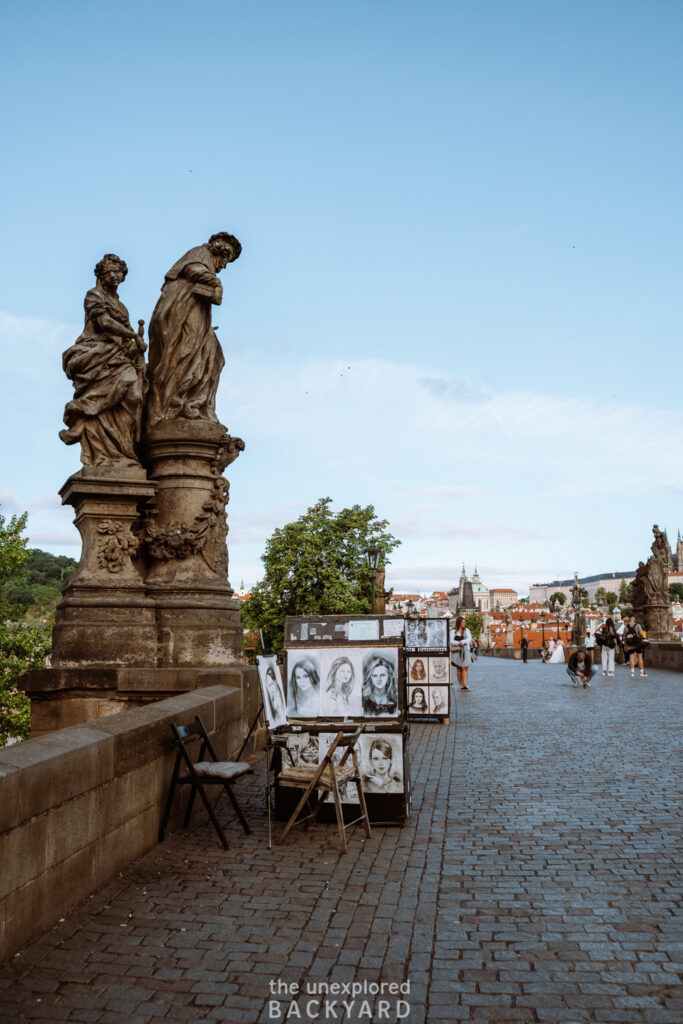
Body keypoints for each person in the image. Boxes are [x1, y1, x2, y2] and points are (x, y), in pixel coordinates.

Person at [60, 254, 146, 467]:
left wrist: (136, 346)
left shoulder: (122, 306)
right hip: (96, 354)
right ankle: (102, 454)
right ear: (101, 274)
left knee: (134, 397)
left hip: (118, 356)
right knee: (98, 405)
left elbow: (127, 338)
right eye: (111, 272)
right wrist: (132, 336)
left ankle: (123, 451)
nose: (116, 276)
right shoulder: (93, 295)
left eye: (120, 273)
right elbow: (105, 322)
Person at [147, 232, 241, 426]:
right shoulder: (200, 253)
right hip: (180, 315)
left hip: (195, 317)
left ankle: (194, 404)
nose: (223, 266)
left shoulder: (206, 265)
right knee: (183, 353)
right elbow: (192, 269)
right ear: (220, 251)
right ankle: (171, 406)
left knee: (214, 357)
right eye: (225, 259)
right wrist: (216, 283)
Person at [451, 615, 473, 691]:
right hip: (457, 651)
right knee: (459, 668)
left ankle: (465, 684)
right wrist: (458, 643)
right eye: (463, 622)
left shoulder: (467, 630)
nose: (464, 623)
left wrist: (462, 642)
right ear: (459, 623)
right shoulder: (453, 632)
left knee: (465, 667)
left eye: (464, 622)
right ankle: (461, 685)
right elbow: (451, 641)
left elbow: (469, 639)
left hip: (465, 650)